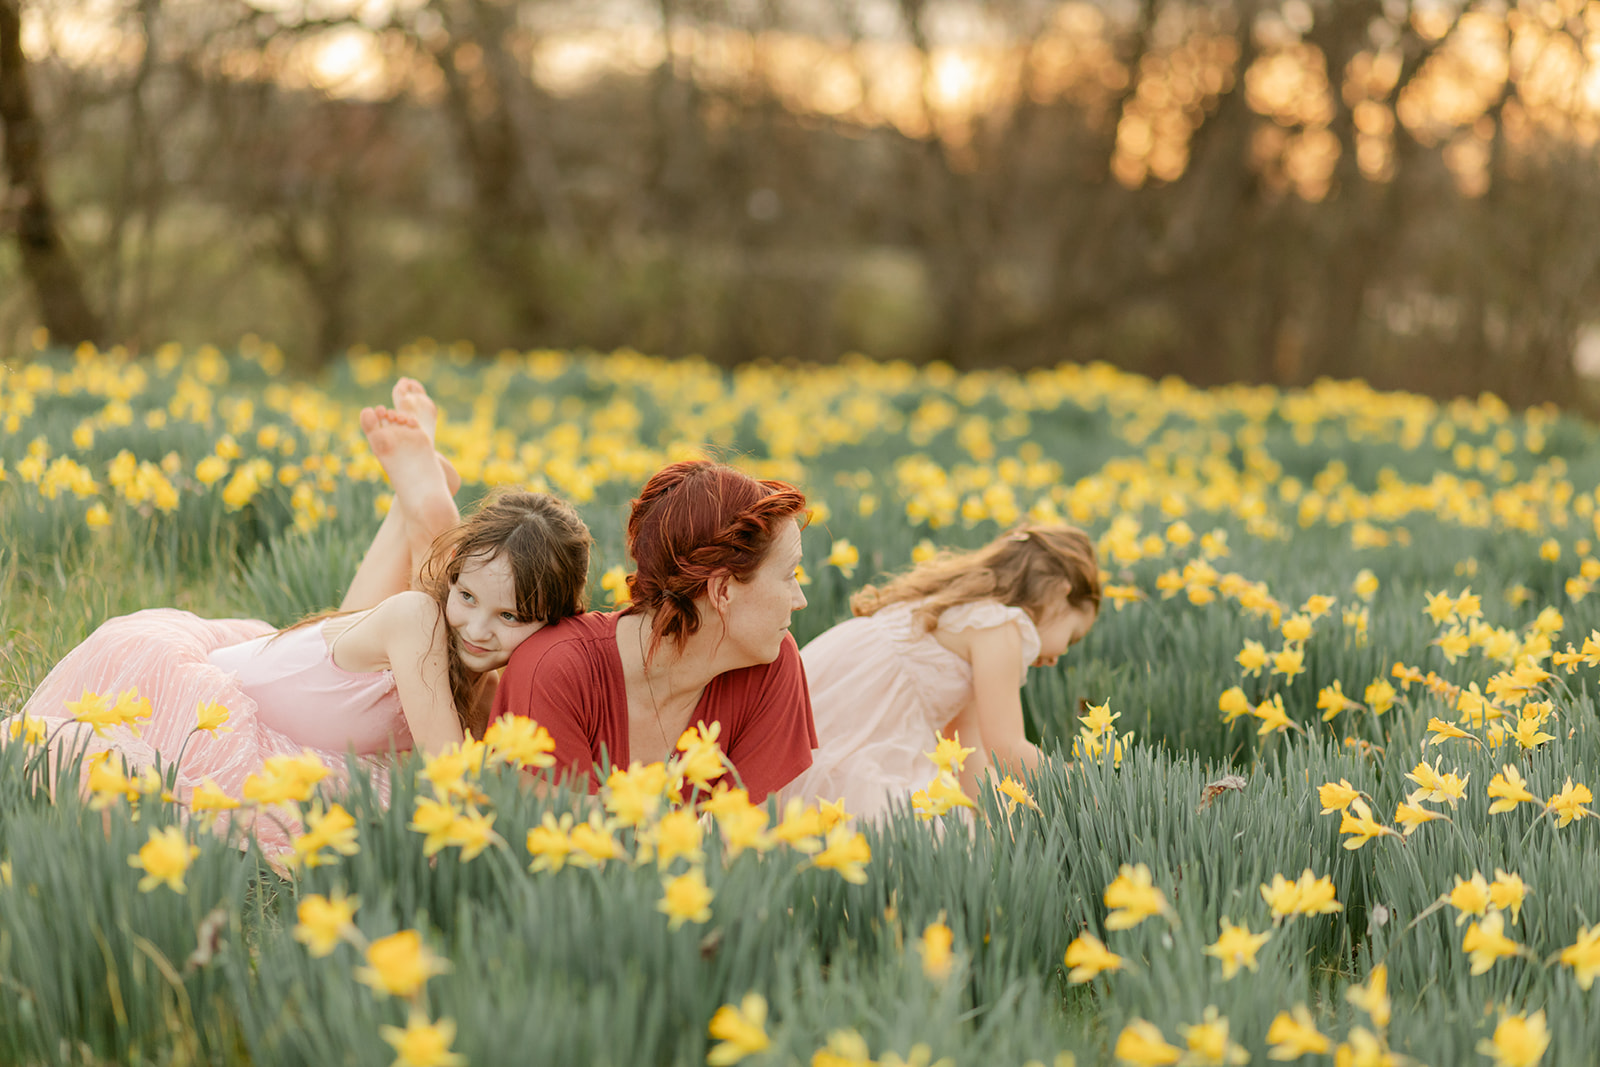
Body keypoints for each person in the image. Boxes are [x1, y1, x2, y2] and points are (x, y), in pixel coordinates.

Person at [16, 380, 592, 828]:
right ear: (457, 573)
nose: (479, 628)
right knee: (414, 617)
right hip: (205, 701)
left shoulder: (466, 651)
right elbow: (451, 777)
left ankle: (413, 505)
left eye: (511, 616)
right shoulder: (422, 618)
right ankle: (426, 509)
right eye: (465, 595)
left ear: (551, 621)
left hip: (310, 681)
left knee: (370, 630)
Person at [492, 459, 818, 804]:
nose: (801, 601)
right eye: (789, 575)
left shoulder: (772, 664)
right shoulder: (553, 670)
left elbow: (749, 845)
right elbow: (566, 846)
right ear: (722, 590)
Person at [779, 524, 1101, 821]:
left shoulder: (971, 616)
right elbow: (1006, 745)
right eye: (1072, 636)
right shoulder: (1001, 627)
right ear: (1060, 591)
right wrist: (1076, 785)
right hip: (867, 727)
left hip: (840, 711)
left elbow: (965, 746)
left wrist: (990, 822)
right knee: (902, 823)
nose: (1061, 655)